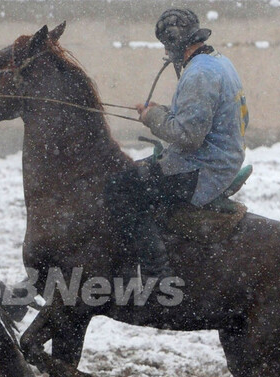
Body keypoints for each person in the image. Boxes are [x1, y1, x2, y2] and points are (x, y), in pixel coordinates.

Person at [105, 8, 249, 279]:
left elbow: (188, 136)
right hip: (218, 160)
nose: (166, 52)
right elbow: (197, 117)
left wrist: (152, 117)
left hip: (203, 169)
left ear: (174, 42)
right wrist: (160, 111)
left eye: (166, 45)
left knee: (120, 187)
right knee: (130, 175)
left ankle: (156, 274)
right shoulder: (217, 62)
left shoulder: (199, 74)